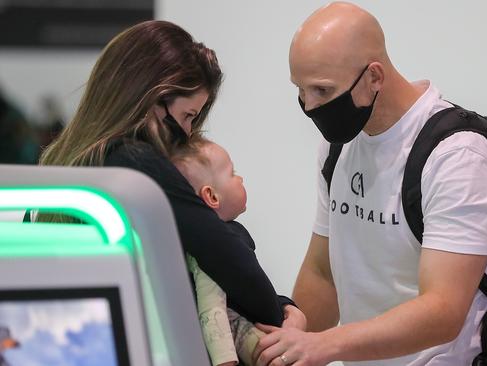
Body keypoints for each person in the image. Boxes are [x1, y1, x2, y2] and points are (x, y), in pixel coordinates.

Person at [253, 2, 487, 366]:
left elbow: (443, 311)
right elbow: (323, 272)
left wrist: (327, 345)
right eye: (301, 90)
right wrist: (292, 347)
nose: (309, 106)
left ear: (374, 77)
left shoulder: (458, 157)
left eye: (322, 92)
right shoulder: (339, 146)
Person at [38, 20, 305, 338]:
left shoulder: (70, 158)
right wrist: (282, 311)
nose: (189, 132)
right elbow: (223, 256)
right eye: (187, 116)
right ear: (154, 98)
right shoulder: (134, 161)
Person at [171, 137, 266, 366]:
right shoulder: (209, 247)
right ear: (212, 197)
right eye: (233, 173)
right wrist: (226, 362)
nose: (240, 178)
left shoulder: (226, 235)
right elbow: (211, 309)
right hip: (244, 344)